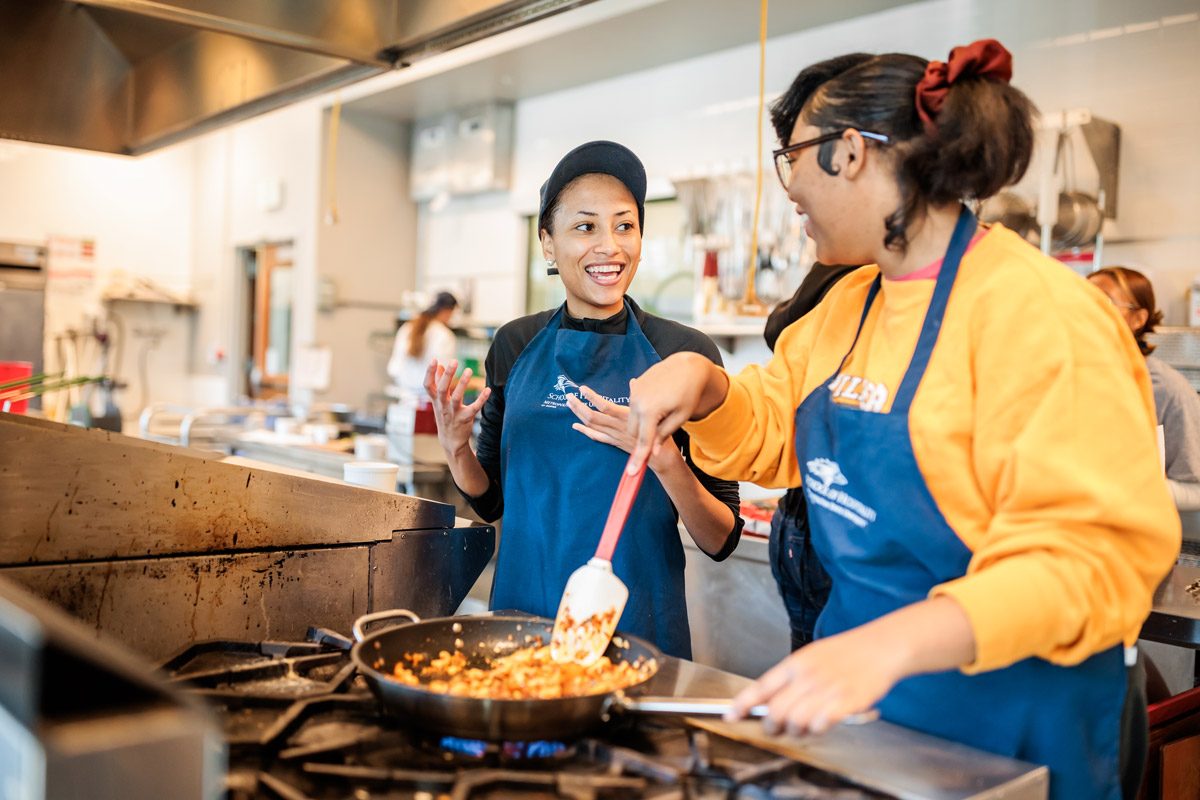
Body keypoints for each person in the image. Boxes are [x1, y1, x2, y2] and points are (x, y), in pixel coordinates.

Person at [623, 40, 1179, 799]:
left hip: (1016, 722)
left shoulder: (1044, 314)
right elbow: (777, 431)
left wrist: (894, 645)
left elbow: (1095, 558)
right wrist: (712, 388)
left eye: (792, 159)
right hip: (874, 712)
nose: (788, 190)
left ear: (849, 152)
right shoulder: (851, 305)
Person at [424, 141, 742, 658]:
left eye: (624, 225)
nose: (610, 246)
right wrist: (457, 448)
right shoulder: (514, 344)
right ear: (547, 243)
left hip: (638, 630)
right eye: (585, 226)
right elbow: (491, 501)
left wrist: (662, 459)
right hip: (521, 621)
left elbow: (720, 537)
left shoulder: (686, 355)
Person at [1088, 267, 1200, 510]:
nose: (1087, 308)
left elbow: (1196, 490)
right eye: (1082, 297)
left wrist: (1128, 487)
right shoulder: (1076, 376)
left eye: (1102, 300)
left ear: (1138, 319)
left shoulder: (1169, 391)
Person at [387, 291, 458, 434]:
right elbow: (443, 380)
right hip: (428, 412)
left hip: (402, 409)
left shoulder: (407, 328)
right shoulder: (444, 335)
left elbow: (393, 369)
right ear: (447, 311)